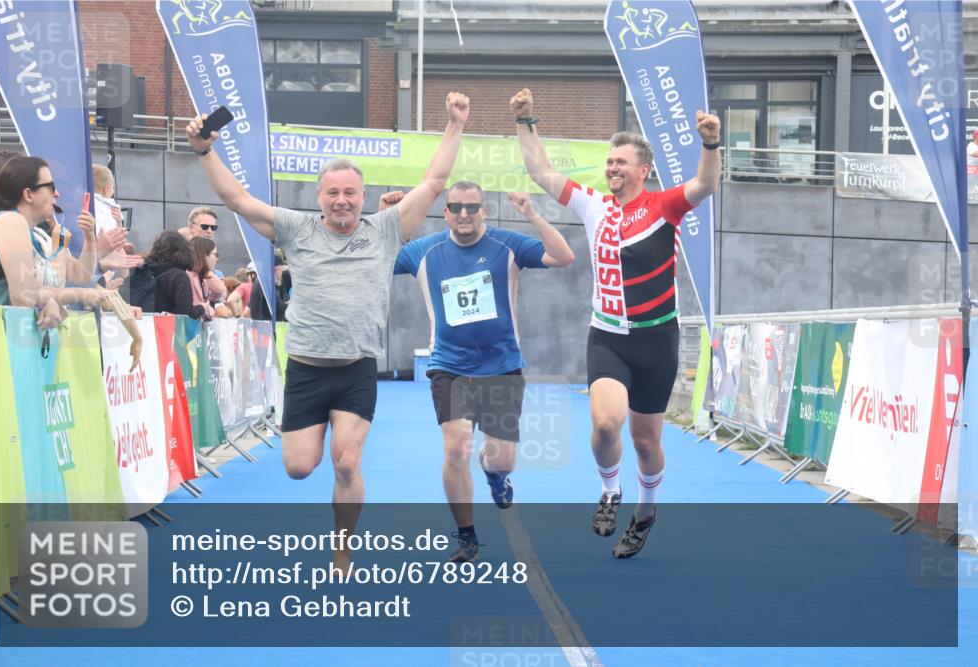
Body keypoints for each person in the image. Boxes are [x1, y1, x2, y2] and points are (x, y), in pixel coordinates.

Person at [185, 91, 471, 572]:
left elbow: (435, 181)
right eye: (333, 193)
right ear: (320, 197)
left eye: (351, 193)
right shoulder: (296, 229)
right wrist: (203, 150)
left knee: (346, 461)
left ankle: (343, 544)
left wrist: (455, 123)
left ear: (362, 197)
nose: (342, 201)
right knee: (299, 467)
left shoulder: (386, 229)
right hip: (305, 369)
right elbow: (235, 198)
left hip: (356, 368)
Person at [509, 87, 721, 558]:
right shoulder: (593, 204)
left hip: (657, 340)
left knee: (647, 441)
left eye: (621, 163)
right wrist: (526, 120)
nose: (612, 169)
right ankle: (610, 492)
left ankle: (646, 512)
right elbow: (541, 171)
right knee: (607, 424)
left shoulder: (664, 205)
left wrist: (710, 145)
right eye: (609, 163)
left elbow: (706, 185)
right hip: (607, 336)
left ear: (642, 170)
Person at [394, 183, 575, 562]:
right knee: (456, 446)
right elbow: (372, 262)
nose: (464, 214)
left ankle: (496, 477)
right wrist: (390, 222)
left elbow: (564, 256)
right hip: (449, 366)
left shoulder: (506, 245)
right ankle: (466, 535)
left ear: (485, 211)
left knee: (502, 458)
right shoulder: (425, 251)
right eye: (455, 207)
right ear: (444, 213)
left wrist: (533, 214)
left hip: (501, 367)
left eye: (472, 207)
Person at [0, 155, 111, 327]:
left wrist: (89, 237)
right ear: (28, 194)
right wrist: (80, 294)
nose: (57, 193)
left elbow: (81, 275)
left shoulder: (29, 230)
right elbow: (24, 296)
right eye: (51, 186)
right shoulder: (11, 221)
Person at [139, 231, 208, 319]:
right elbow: (184, 312)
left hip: (142, 324)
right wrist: (201, 308)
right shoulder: (178, 276)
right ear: (183, 250)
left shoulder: (144, 269)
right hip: (166, 329)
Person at [186, 236, 227, 320]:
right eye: (215, 254)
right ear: (203, 255)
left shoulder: (202, 279)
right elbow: (203, 309)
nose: (217, 259)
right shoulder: (190, 276)